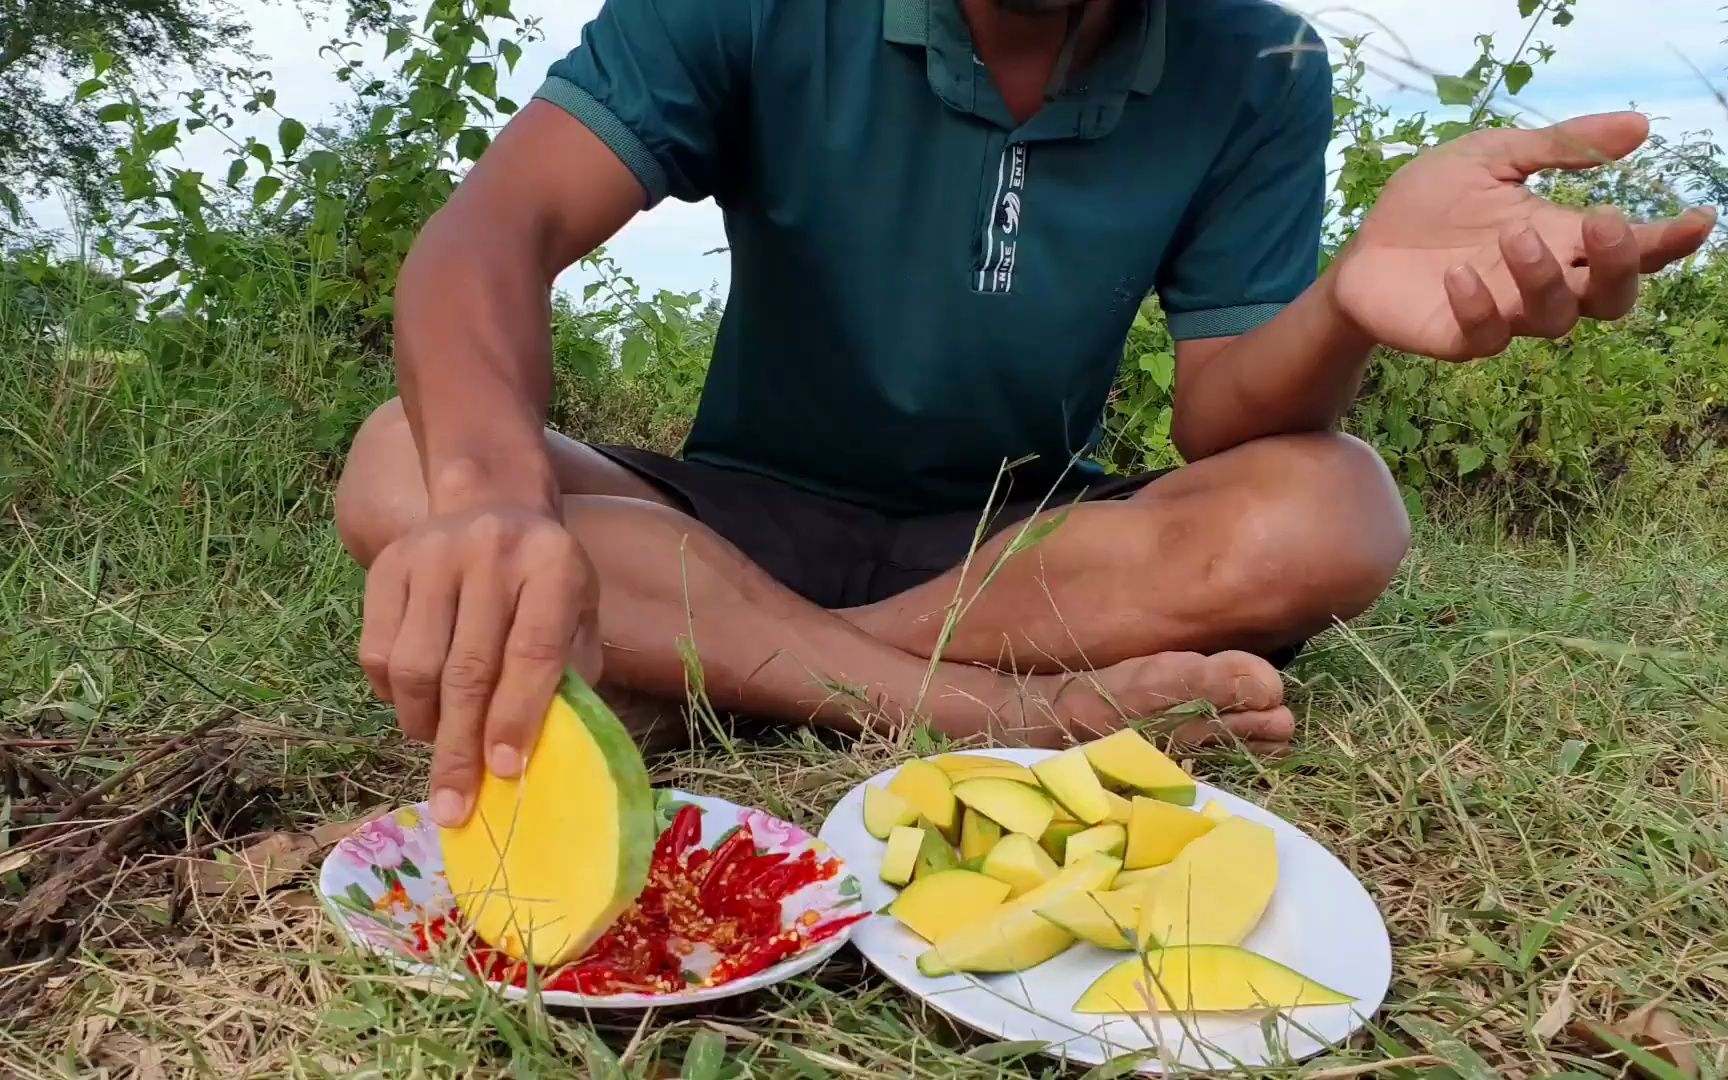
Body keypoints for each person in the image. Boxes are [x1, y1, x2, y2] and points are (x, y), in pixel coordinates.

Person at [333, 0, 1717, 830]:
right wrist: (505, 510)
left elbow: (1230, 428)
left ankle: (726, 671)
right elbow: (491, 234)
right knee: (410, 463)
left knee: (1336, 504)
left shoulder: (1260, 62)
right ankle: (1003, 715)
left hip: (1016, 551)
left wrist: (1347, 300)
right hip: (742, 508)